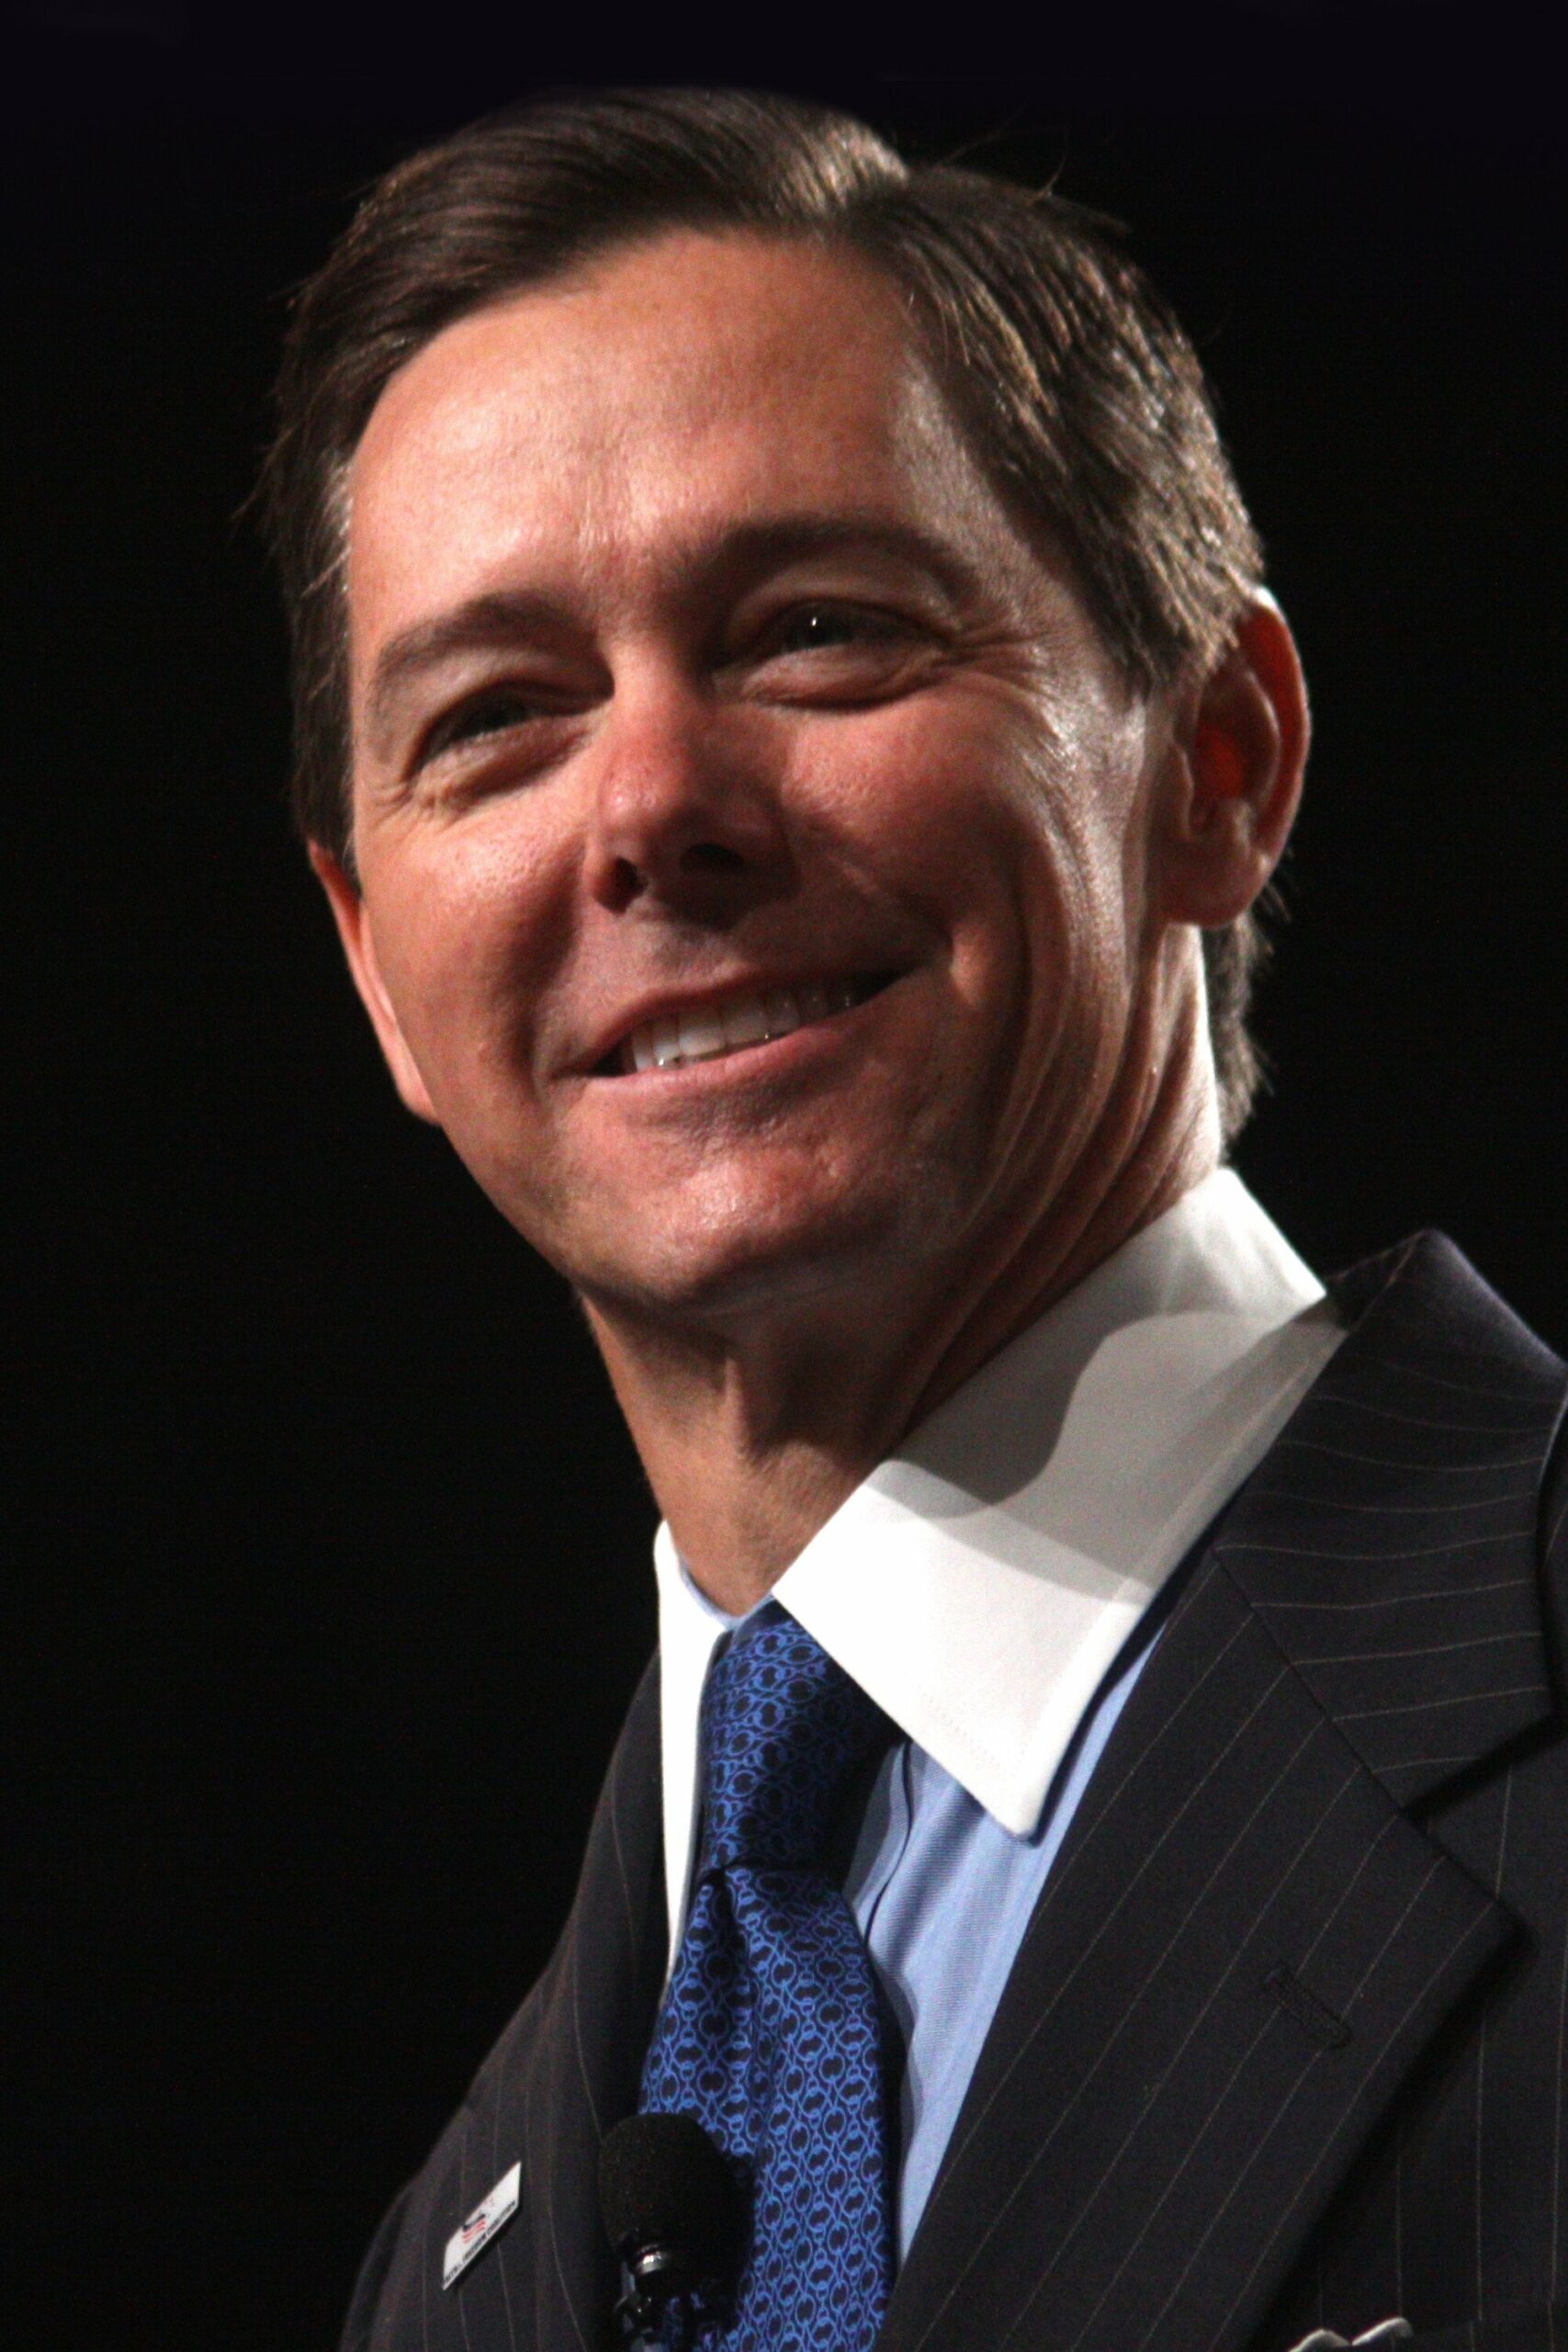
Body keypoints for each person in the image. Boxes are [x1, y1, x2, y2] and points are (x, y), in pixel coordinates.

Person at [259, 88, 1568, 2352]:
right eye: (494, 718)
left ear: (1218, 755)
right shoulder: (453, 2257)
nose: (648, 806)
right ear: (378, 967)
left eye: (811, 630)